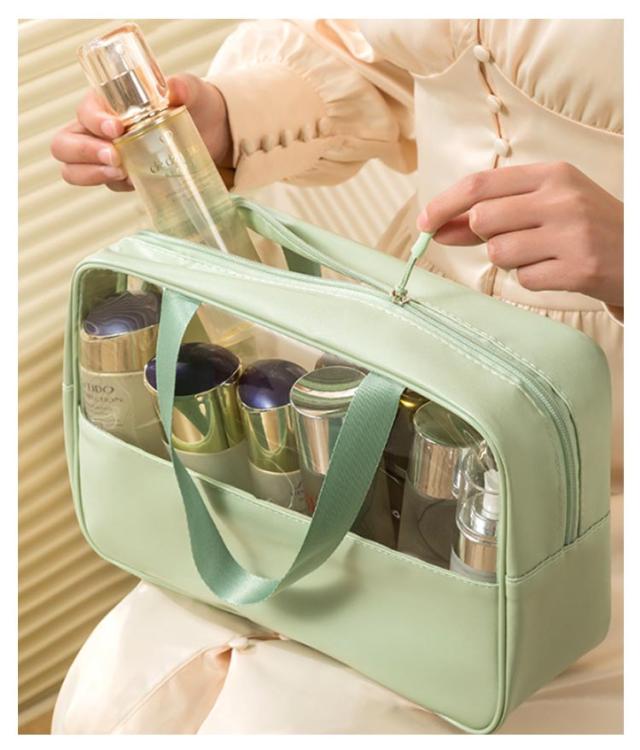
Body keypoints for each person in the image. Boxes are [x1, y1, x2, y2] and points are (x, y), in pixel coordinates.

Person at [50, 19, 623, 734]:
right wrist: (229, 118)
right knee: (124, 683)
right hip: (409, 343)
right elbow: (374, 52)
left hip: (601, 456)